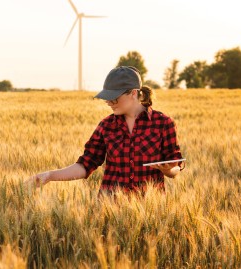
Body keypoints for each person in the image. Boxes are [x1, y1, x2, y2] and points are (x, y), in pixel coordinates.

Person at [26, 66, 184, 194]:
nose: (109, 102)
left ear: (133, 93)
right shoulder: (106, 126)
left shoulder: (163, 123)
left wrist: (169, 171)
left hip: (151, 212)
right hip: (109, 211)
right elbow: (85, 165)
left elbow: (175, 167)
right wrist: (50, 176)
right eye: (107, 97)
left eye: (114, 97)